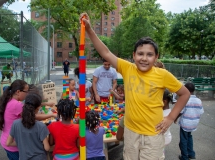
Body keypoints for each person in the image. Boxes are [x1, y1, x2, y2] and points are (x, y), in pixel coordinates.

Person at [81, 13, 190, 160]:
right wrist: (89, 29)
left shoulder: (162, 74)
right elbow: (105, 52)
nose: (144, 58)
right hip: (131, 132)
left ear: (156, 57)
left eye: (149, 54)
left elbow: (184, 94)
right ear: (134, 55)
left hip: (153, 134)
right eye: (140, 54)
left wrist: (171, 117)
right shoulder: (127, 68)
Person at [6, 93, 50, 160]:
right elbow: (47, 148)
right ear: (37, 109)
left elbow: (8, 143)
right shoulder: (41, 126)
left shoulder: (15, 124)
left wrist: (22, 143)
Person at [0, 80, 29, 160]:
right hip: (13, 144)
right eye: (26, 92)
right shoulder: (17, 105)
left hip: (5, 140)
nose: (27, 94)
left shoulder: (8, 100)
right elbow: (31, 117)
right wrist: (51, 115)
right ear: (18, 92)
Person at [175, 82, 204, 160]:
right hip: (194, 123)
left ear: (186, 89)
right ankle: (191, 154)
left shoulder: (185, 99)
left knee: (183, 140)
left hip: (185, 123)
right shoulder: (198, 100)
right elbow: (201, 112)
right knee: (189, 137)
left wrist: (175, 118)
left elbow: (180, 111)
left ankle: (184, 157)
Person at [162, 89, 173, 158]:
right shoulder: (170, 112)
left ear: (164, 101)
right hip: (167, 136)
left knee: (159, 153)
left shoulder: (162, 115)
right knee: (162, 150)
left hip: (162, 138)